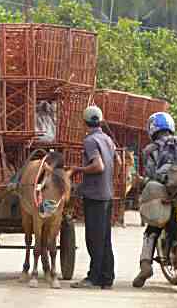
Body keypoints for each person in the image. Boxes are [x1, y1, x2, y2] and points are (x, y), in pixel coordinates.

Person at [132, 112, 177, 288]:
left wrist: (143, 182)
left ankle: (145, 265)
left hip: (167, 193)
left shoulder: (150, 150)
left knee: (153, 227)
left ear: (152, 129)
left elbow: (151, 176)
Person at [70, 105, 116, 289]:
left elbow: (98, 166)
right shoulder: (107, 139)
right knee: (104, 238)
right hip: (106, 194)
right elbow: (116, 162)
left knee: (94, 238)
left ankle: (93, 278)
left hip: (96, 196)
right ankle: (107, 276)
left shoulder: (90, 141)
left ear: (84, 122)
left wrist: (77, 170)